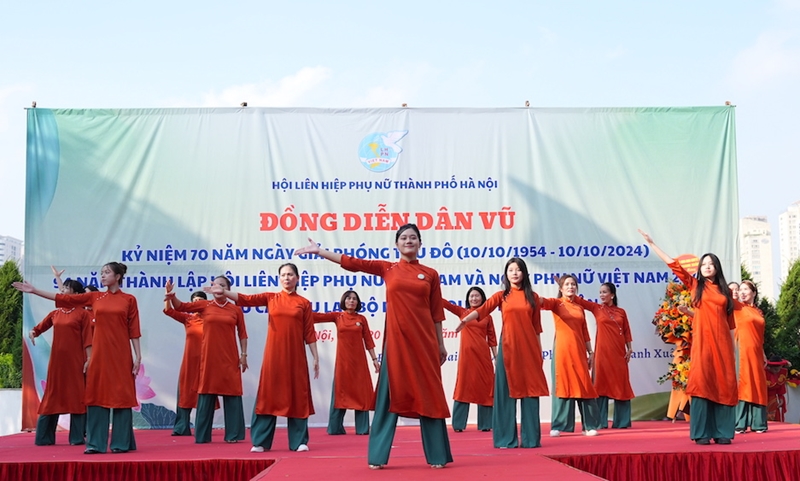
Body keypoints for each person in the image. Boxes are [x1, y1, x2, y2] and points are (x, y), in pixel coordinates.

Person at [296, 224, 453, 469]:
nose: (408, 241)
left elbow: (436, 313)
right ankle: (378, 457)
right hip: (397, 345)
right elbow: (353, 262)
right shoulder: (388, 269)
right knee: (387, 399)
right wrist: (320, 252)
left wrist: (441, 344)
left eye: (413, 237)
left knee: (429, 396)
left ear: (420, 243)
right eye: (403, 238)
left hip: (425, 344)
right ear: (396, 244)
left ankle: (438, 457)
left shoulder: (430, 274)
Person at [14, 262, 142, 454]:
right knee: (97, 396)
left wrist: (138, 356)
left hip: (121, 354)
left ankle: (120, 443)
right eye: (101, 273)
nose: (103, 275)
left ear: (118, 277)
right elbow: (64, 299)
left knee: (121, 396)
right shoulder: (95, 297)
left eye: (107, 272)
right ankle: (95, 444)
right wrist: (34, 291)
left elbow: (134, 330)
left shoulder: (129, 299)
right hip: (99, 355)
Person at [639, 230, 737, 445]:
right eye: (704, 264)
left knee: (723, 384)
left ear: (717, 267)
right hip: (702, 345)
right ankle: (701, 433)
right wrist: (653, 244)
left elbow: (730, 325)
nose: (707, 267)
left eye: (711, 264)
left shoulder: (725, 292)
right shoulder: (695, 285)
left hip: (723, 346)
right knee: (702, 385)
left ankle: (722, 432)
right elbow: (675, 266)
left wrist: (734, 352)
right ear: (700, 268)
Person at [210, 263, 319, 453]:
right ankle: (260, 441)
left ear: (297, 278)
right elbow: (245, 299)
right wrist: (224, 292)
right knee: (269, 396)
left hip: (296, 357)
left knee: (297, 395)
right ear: (279, 278)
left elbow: (309, 332)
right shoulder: (271, 298)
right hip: (274, 356)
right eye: (283, 275)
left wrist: (315, 357)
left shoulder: (304, 303)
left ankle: (299, 441)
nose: (287, 278)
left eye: (291, 274)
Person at [458, 259, 548, 448]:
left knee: (530, 394)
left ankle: (531, 439)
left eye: (518, 270)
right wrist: (466, 319)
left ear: (524, 273)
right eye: (510, 270)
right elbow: (483, 309)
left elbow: (537, 328)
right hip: (508, 349)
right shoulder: (502, 296)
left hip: (529, 351)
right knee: (505, 395)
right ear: (506, 274)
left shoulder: (532, 296)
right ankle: (506, 439)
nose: (514, 273)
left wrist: (539, 354)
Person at [167, 276, 248, 444]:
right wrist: (171, 295)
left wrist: (243, 355)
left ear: (228, 288)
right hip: (209, 357)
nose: (218, 288)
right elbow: (181, 306)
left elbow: (242, 334)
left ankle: (233, 435)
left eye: (222, 286)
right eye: (216, 285)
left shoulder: (235, 310)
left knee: (232, 394)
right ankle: (203, 436)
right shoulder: (205, 306)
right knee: (206, 394)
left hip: (229, 357)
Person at [29, 278, 93, 446]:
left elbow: (88, 340)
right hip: (58, 362)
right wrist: (33, 333)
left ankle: (77, 438)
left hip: (76, 361)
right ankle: (44, 438)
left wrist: (89, 359)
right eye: (63, 287)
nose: (63, 290)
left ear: (77, 295)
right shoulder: (56, 313)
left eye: (67, 288)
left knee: (77, 395)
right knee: (52, 395)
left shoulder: (83, 314)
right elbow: (39, 327)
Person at [312, 290, 380, 435]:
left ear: (358, 302)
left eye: (354, 299)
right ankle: (335, 428)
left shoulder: (361, 319)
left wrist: (374, 360)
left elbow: (368, 340)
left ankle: (362, 429)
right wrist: (300, 310)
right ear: (344, 301)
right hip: (343, 363)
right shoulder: (338, 317)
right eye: (348, 298)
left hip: (359, 363)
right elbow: (316, 317)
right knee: (340, 393)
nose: (351, 301)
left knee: (360, 394)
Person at [540, 275, 601, 437]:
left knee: (584, 386)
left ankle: (589, 425)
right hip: (562, 351)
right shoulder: (556, 303)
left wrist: (591, 352)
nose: (570, 287)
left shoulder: (579, 308)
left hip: (579, 351)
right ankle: (558, 425)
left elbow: (585, 332)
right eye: (567, 284)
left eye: (573, 284)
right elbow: (541, 302)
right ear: (561, 288)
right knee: (563, 385)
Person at [571, 282, 634, 429]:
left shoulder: (621, 312)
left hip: (619, 353)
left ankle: (622, 422)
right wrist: (564, 287)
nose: (602, 295)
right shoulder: (597, 308)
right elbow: (580, 301)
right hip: (602, 354)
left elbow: (626, 331)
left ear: (612, 294)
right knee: (600, 385)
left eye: (605, 292)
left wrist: (629, 348)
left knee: (621, 384)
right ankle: (600, 422)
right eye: (600, 292)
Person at [443, 286, 497, 433]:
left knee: (486, 387)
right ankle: (458, 425)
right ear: (467, 299)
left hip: (483, 356)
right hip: (467, 357)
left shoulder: (487, 316)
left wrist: (496, 357)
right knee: (463, 387)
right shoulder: (463, 313)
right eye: (471, 296)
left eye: (477, 296)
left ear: (482, 298)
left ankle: (485, 424)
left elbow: (492, 338)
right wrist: (431, 292)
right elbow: (447, 305)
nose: (474, 298)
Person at [163, 290, 211, 436]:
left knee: (205, 394)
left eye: (200, 300)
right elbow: (168, 310)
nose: (197, 302)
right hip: (190, 361)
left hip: (208, 360)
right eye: (194, 300)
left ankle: (202, 429)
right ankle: (181, 427)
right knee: (185, 393)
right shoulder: (187, 318)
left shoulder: (212, 319)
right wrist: (168, 296)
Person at [733, 280, 768, 433]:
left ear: (754, 292)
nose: (742, 292)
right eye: (740, 290)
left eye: (746, 289)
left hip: (757, 351)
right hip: (742, 350)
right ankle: (740, 423)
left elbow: (760, 336)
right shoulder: (737, 307)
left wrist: (763, 353)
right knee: (744, 383)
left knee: (758, 384)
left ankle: (758, 423)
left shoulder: (758, 312)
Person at [765, 355, 790, 422]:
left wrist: (781, 398)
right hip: (763, 398)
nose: (778, 371)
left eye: (779, 369)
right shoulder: (763, 373)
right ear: (769, 367)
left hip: (773, 399)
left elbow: (781, 387)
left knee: (775, 416)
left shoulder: (781, 373)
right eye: (776, 369)